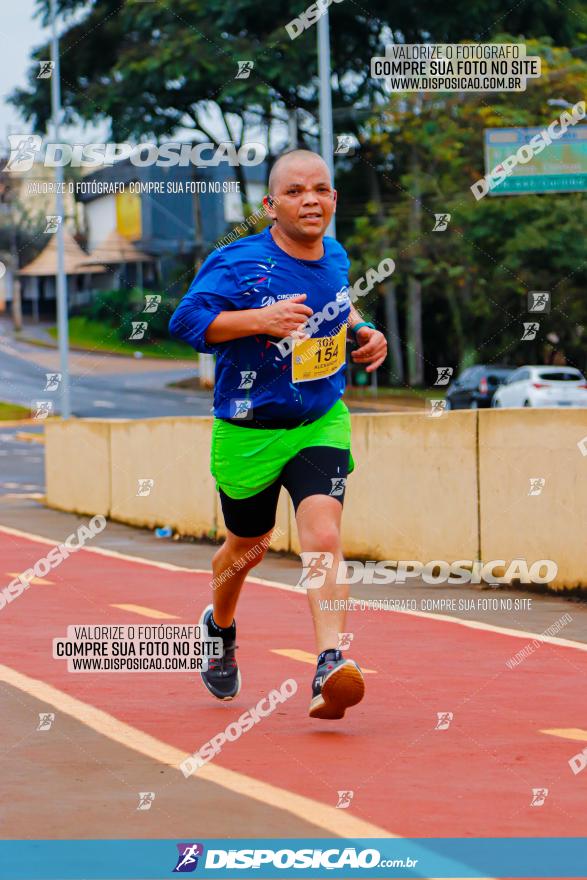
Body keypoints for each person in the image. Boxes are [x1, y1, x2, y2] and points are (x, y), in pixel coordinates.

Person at [169, 149, 387, 719]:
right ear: (271, 204)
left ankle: (329, 662)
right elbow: (186, 321)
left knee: (323, 534)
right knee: (248, 548)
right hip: (248, 430)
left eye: (321, 188)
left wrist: (364, 330)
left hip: (320, 419)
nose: (310, 199)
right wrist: (257, 321)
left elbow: (339, 301)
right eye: (295, 191)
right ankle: (219, 627)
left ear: (334, 199)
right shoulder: (238, 262)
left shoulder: (334, 253)